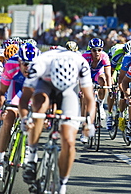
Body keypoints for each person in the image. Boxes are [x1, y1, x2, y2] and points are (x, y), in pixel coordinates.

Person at [21, 47, 95, 194]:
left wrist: (89, 123)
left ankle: (62, 184)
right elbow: (24, 99)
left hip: (69, 89)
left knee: (68, 141)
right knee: (39, 105)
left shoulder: (81, 64)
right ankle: (32, 156)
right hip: (45, 85)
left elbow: (89, 99)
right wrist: (25, 118)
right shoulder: (40, 64)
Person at [0, 43, 40, 178]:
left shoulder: (42, 68)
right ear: (19, 61)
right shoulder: (11, 65)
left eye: (31, 64)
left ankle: (30, 154)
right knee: (9, 118)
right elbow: (2, 92)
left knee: (36, 118)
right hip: (16, 88)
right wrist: (2, 109)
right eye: (25, 64)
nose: (28, 67)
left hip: (34, 89)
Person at [106, 40, 131, 129]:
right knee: (112, 88)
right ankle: (109, 114)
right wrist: (112, 83)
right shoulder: (118, 53)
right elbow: (111, 70)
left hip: (125, 68)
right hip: (115, 67)